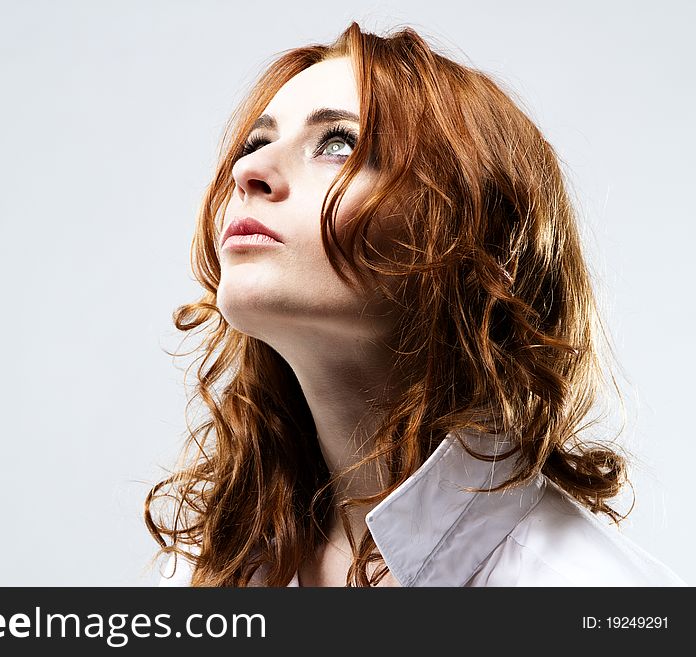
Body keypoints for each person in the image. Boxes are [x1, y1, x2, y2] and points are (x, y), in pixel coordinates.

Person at [144, 22, 686, 587]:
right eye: (257, 143)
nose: (246, 170)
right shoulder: (210, 567)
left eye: (338, 144)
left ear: (473, 235)